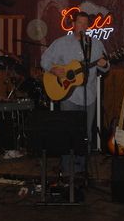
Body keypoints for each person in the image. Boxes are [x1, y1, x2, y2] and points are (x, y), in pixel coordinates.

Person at [40, 11, 110, 177]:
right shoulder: (60, 43)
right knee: (68, 131)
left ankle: (82, 169)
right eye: (80, 23)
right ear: (73, 24)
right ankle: (67, 169)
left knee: (86, 133)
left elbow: (106, 66)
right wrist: (53, 69)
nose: (83, 27)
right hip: (68, 95)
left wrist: (104, 64)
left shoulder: (96, 44)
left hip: (89, 95)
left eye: (86, 24)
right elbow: (45, 60)